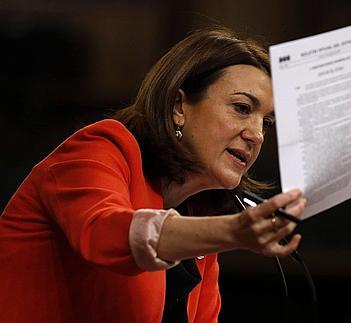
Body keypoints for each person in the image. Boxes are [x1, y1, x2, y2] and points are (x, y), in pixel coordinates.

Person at [0, 27, 306, 323]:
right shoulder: (101, 149)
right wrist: (233, 231)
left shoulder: (199, 217)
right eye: (241, 108)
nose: (257, 135)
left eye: (266, 123)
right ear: (178, 107)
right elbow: (105, 232)